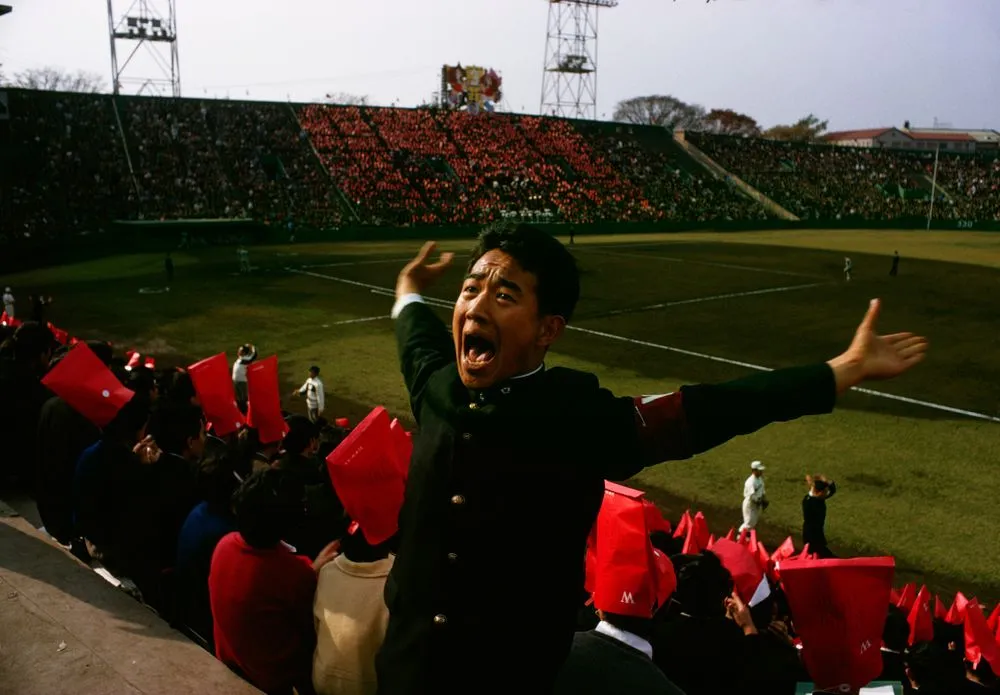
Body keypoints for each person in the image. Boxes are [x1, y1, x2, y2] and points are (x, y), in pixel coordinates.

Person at [375, 223, 928, 694]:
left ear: (548, 330)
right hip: (402, 673)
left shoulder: (581, 420)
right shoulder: (438, 388)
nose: (474, 304)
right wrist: (407, 287)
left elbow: (709, 410)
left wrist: (839, 372)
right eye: (471, 289)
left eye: (505, 295)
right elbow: (416, 335)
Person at [209, 468, 340, 695]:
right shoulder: (293, 575)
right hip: (273, 681)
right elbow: (310, 631)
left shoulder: (224, 546)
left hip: (233, 662)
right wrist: (311, 572)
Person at [802, 474, 837, 558]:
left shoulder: (817, 498)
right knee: (824, 557)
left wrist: (826, 482)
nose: (826, 494)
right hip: (812, 537)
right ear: (819, 492)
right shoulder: (809, 503)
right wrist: (812, 484)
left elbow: (832, 491)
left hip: (818, 536)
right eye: (824, 492)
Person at [739, 460, 767, 533]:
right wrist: (760, 502)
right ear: (754, 470)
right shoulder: (750, 482)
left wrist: (764, 499)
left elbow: (762, 491)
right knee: (748, 523)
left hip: (756, 504)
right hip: (750, 504)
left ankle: (746, 539)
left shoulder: (760, 479)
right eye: (759, 470)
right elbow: (752, 496)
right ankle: (739, 537)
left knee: (753, 523)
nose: (761, 472)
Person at [231, 343, 257, 412]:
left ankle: (245, 411)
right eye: (239, 350)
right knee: (238, 397)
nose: (238, 352)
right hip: (236, 381)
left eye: (240, 351)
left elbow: (254, 355)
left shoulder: (246, 359)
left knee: (243, 398)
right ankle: (242, 410)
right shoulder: (241, 358)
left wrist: (252, 346)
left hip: (241, 382)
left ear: (244, 353)